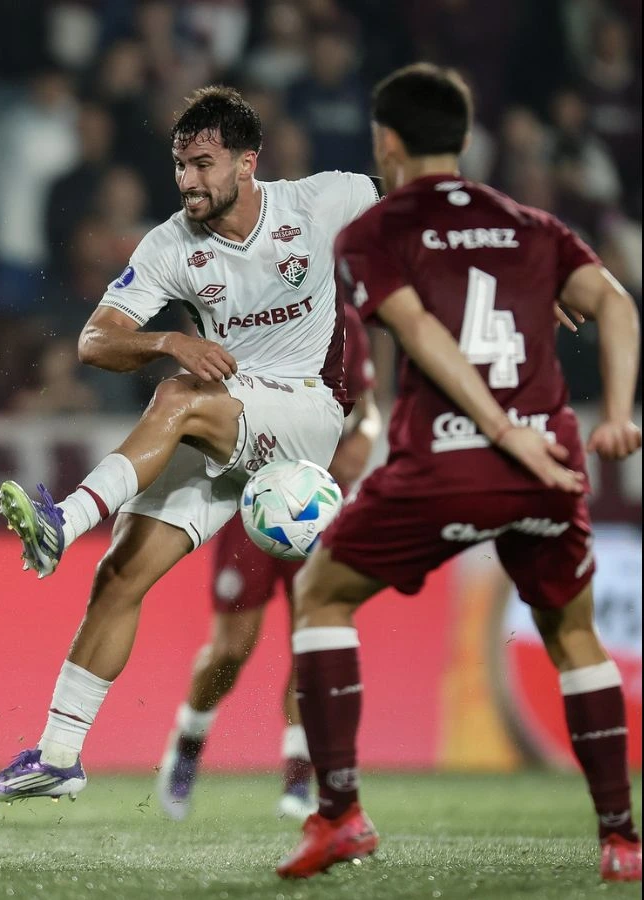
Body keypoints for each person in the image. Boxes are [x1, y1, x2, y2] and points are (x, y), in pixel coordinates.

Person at [0, 86, 382, 805]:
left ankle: (65, 521)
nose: (188, 180)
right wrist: (164, 337)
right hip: (225, 417)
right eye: (180, 165)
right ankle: (59, 756)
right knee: (120, 576)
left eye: (204, 164)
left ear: (248, 162)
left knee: (177, 395)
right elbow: (96, 339)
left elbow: (429, 199)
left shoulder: (321, 201)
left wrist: (526, 273)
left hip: (307, 413)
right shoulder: (169, 245)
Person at [275, 64, 641, 883]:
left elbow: (423, 334)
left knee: (323, 595)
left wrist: (499, 428)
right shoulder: (530, 225)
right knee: (572, 635)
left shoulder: (374, 231)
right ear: (466, 140)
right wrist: (616, 412)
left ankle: (339, 815)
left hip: (447, 463)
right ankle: (621, 840)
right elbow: (616, 301)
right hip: (549, 463)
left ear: (388, 143)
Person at [156, 303, 381, 823]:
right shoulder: (244, 305)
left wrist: (365, 438)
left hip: (320, 497)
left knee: (312, 638)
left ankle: (300, 778)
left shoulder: (342, 320)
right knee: (232, 648)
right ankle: (188, 742)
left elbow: (368, 406)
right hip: (251, 494)